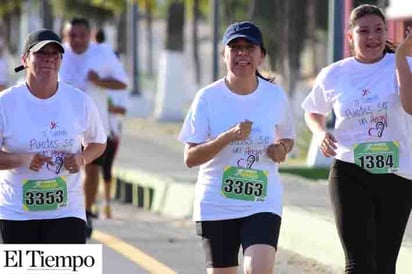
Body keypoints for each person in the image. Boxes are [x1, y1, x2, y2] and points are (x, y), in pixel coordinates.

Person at [301, 4, 412, 273]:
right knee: (358, 263)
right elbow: (312, 111)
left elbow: (410, 106)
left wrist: (399, 57)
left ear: (386, 32)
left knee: (384, 265)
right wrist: (320, 132)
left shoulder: (405, 64)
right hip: (350, 170)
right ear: (350, 36)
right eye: (364, 31)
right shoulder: (334, 73)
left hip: (396, 173)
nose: (372, 37)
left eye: (378, 30)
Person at [178, 21, 295, 274]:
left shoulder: (274, 96)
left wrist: (281, 149)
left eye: (249, 47)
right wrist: (227, 137)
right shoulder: (207, 98)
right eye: (235, 48)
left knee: (258, 270)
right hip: (217, 202)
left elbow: (287, 137)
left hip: (262, 200)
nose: (242, 53)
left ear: (261, 55)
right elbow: (190, 158)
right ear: (224, 55)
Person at [0, 29, 106, 243]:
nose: (48, 59)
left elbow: (98, 142)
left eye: (54, 54)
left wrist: (82, 158)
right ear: (25, 60)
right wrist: (22, 159)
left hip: (67, 211)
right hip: (17, 212)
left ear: (60, 60)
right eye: (40, 53)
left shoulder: (79, 101)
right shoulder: (6, 103)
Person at [59, 18, 128, 233]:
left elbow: (122, 82)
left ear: (90, 35)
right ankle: (64, 211)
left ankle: (86, 212)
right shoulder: (57, 53)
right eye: (72, 35)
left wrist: (99, 81)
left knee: (92, 169)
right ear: (65, 36)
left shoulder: (103, 53)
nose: (77, 40)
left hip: (94, 124)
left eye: (82, 35)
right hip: (60, 126)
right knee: (61, 169)